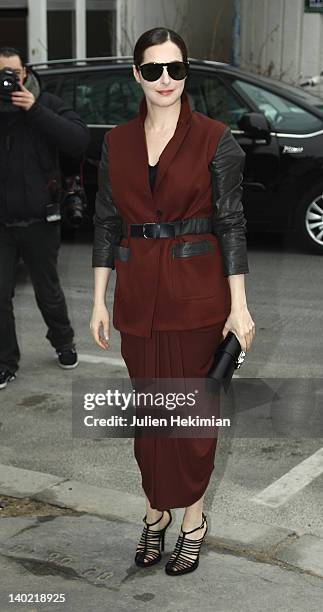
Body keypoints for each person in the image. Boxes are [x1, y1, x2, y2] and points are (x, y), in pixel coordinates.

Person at [90, 27, 255, 576]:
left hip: (198, 298)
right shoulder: (115, 142)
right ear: (136, 74)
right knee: (149, 420)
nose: (166, 80)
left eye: (176, 69)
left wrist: (240, 306)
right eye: (154, 69)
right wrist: (98, 301)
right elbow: (106, 224)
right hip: (139, 300)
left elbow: (231, 223)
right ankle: (155, 514)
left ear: (187, 73)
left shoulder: (216, 138)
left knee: (191, 419)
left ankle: (193, 522)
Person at [0, 47, 90, 389]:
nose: (8, 80)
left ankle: (63, 342)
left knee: (48, 291)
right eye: (1, 74)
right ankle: (5, 361)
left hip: (41, 219)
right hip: (2, 224)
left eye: (13, 73)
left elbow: (78, 140)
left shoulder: (46, 103)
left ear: (25, 73)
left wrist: (34, 109)